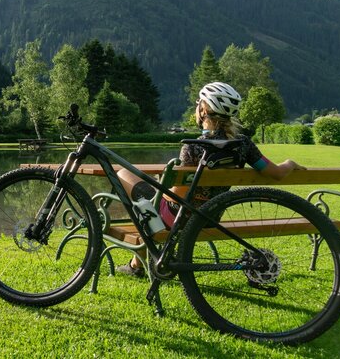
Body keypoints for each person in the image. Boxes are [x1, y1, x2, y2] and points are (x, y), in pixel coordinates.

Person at [115, 81, 305, 277]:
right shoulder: (243, 145)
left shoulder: (192, 147)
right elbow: (277, 173)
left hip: (179, 219)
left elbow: (176, 197)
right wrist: (290, 163)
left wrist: (161, 184)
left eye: (199, 103)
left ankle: (136, 266)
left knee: (125, 177)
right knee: (147, 205)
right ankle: (136, 264)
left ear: (204, 109)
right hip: (210, 217)